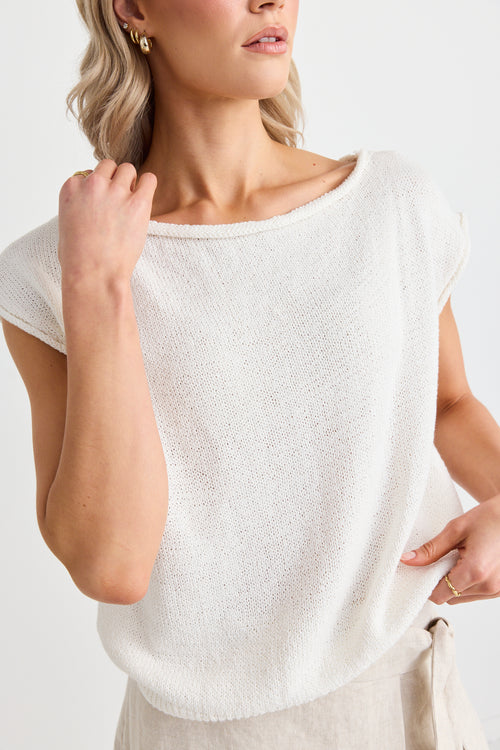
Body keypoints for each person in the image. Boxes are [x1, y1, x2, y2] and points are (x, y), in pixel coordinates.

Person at [0, 0, 498, 747]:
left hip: (399, 708)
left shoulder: (389, 206)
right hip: (188, 733)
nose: (271, 1)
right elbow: (114, 566)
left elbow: (449, 403)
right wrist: (99, 287)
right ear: (135, 9)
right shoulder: (50, 271)